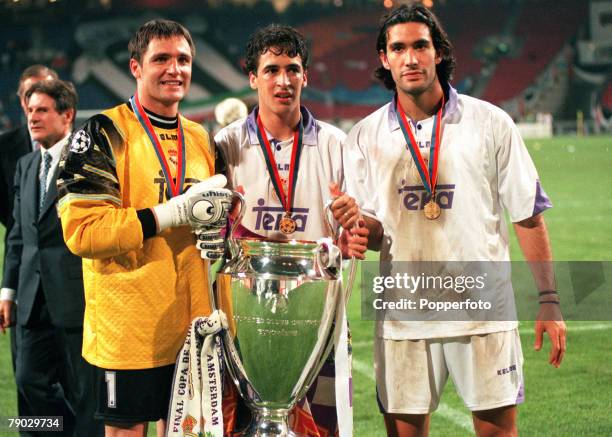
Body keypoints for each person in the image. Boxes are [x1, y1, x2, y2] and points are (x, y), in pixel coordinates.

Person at [342, 5, 567, 436]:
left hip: (483, 309)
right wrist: (356, 226)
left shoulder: (490, 122)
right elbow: (373, 232)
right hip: (404, 312)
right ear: (384, 59)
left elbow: (527, 215)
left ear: (439, 52)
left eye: (420, 46)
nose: (410, 58)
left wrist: (550, 298)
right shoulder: (363, 137)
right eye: (398, 48)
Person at [57, 19, 231, 437]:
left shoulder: (202, 139)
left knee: (189, 430)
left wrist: (219, 226)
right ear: (136, 67)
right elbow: (84, 231)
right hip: (128, 329)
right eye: (162, 59)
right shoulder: (102, 133)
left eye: (184, 60)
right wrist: (168, 214)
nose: (175, 69)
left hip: (191, 325)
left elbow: (214, 222)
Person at [212, 23, 367, 437]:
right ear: (253, 77)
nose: (283, 80)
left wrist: (354, 226)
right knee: (244, 425)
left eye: (292, 69)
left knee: (325, 426)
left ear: (305, 76)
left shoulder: (336, 144)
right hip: (247, 317)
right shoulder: (225, 145)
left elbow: (358, 233)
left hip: (318, 316)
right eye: (272, 69)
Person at [1, 79, 103, 436]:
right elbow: (17, 236)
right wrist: (7, 292)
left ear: (67, 115)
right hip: (31, 297)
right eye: (29, 110)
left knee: (85, 391)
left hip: (77, 297)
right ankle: (66, 430)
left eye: (42, 110)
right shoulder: (27, 165)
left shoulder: (89, 162)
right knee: (30, 381)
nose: (32, 118)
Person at [0, 64, 58, 435]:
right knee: (28, 381)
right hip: (25, 278)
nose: (34, 105)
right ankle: (36, 432)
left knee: (72, 380)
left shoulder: (79, 146)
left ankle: (62, 429)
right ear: (21, 100)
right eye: (28, 96)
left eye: (43, 94)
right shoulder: (7, 149)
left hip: (68, 286)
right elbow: (15, 229)